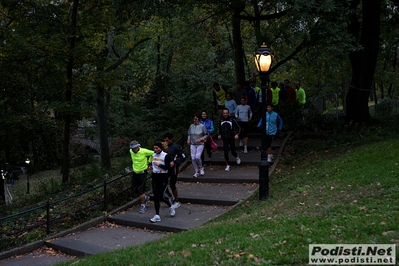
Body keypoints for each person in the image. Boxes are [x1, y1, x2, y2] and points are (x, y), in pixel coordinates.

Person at [148, 141, 175, 223]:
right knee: (155, 196)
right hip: (155, 176)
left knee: (161, 196)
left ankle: (171, 206)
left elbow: (167, 167)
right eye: (154, 148)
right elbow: (152, 163)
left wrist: (159, 165)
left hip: (163, 176)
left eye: (157, 148)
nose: (155, 150)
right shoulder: (153, 155)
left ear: (161, 148)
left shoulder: (165, 155)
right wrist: (150, 167)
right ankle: (157, 215)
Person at [129, 140, 153, 214]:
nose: (133, 149)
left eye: (134, 148)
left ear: (137, 147)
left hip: (143, 172)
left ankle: (143, 205)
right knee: (134, 188)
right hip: (135, 172)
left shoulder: (144, 151)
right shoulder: (131, 151)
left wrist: (149, 162)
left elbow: (153, 153)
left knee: (140, 189)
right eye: (132, 148)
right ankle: (145, 197)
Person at [163, 132, 186, 209]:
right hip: (165, 168)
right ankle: (170, 196)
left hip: (173, 169)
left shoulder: (175, 147)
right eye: (165, 140)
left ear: (171, 139)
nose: (166, 141)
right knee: (163, 184)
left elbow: (183, 157)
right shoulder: (163, 147)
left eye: (167, 140)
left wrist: (175, 162)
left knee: (172, 184)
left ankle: (176, 201)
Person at [187, 113, 208, 177]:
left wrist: (201, 139)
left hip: (200, 144)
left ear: (198, 119)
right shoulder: (191, 126)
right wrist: (188, 139)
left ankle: (201, 168)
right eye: (194, 119)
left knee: (197, 157)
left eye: (196, 119)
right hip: (193, 144)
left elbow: (206, 135)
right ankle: (196, 171)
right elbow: (189, 134)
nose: (194, 120)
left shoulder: (202, 126)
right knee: (193, 158)